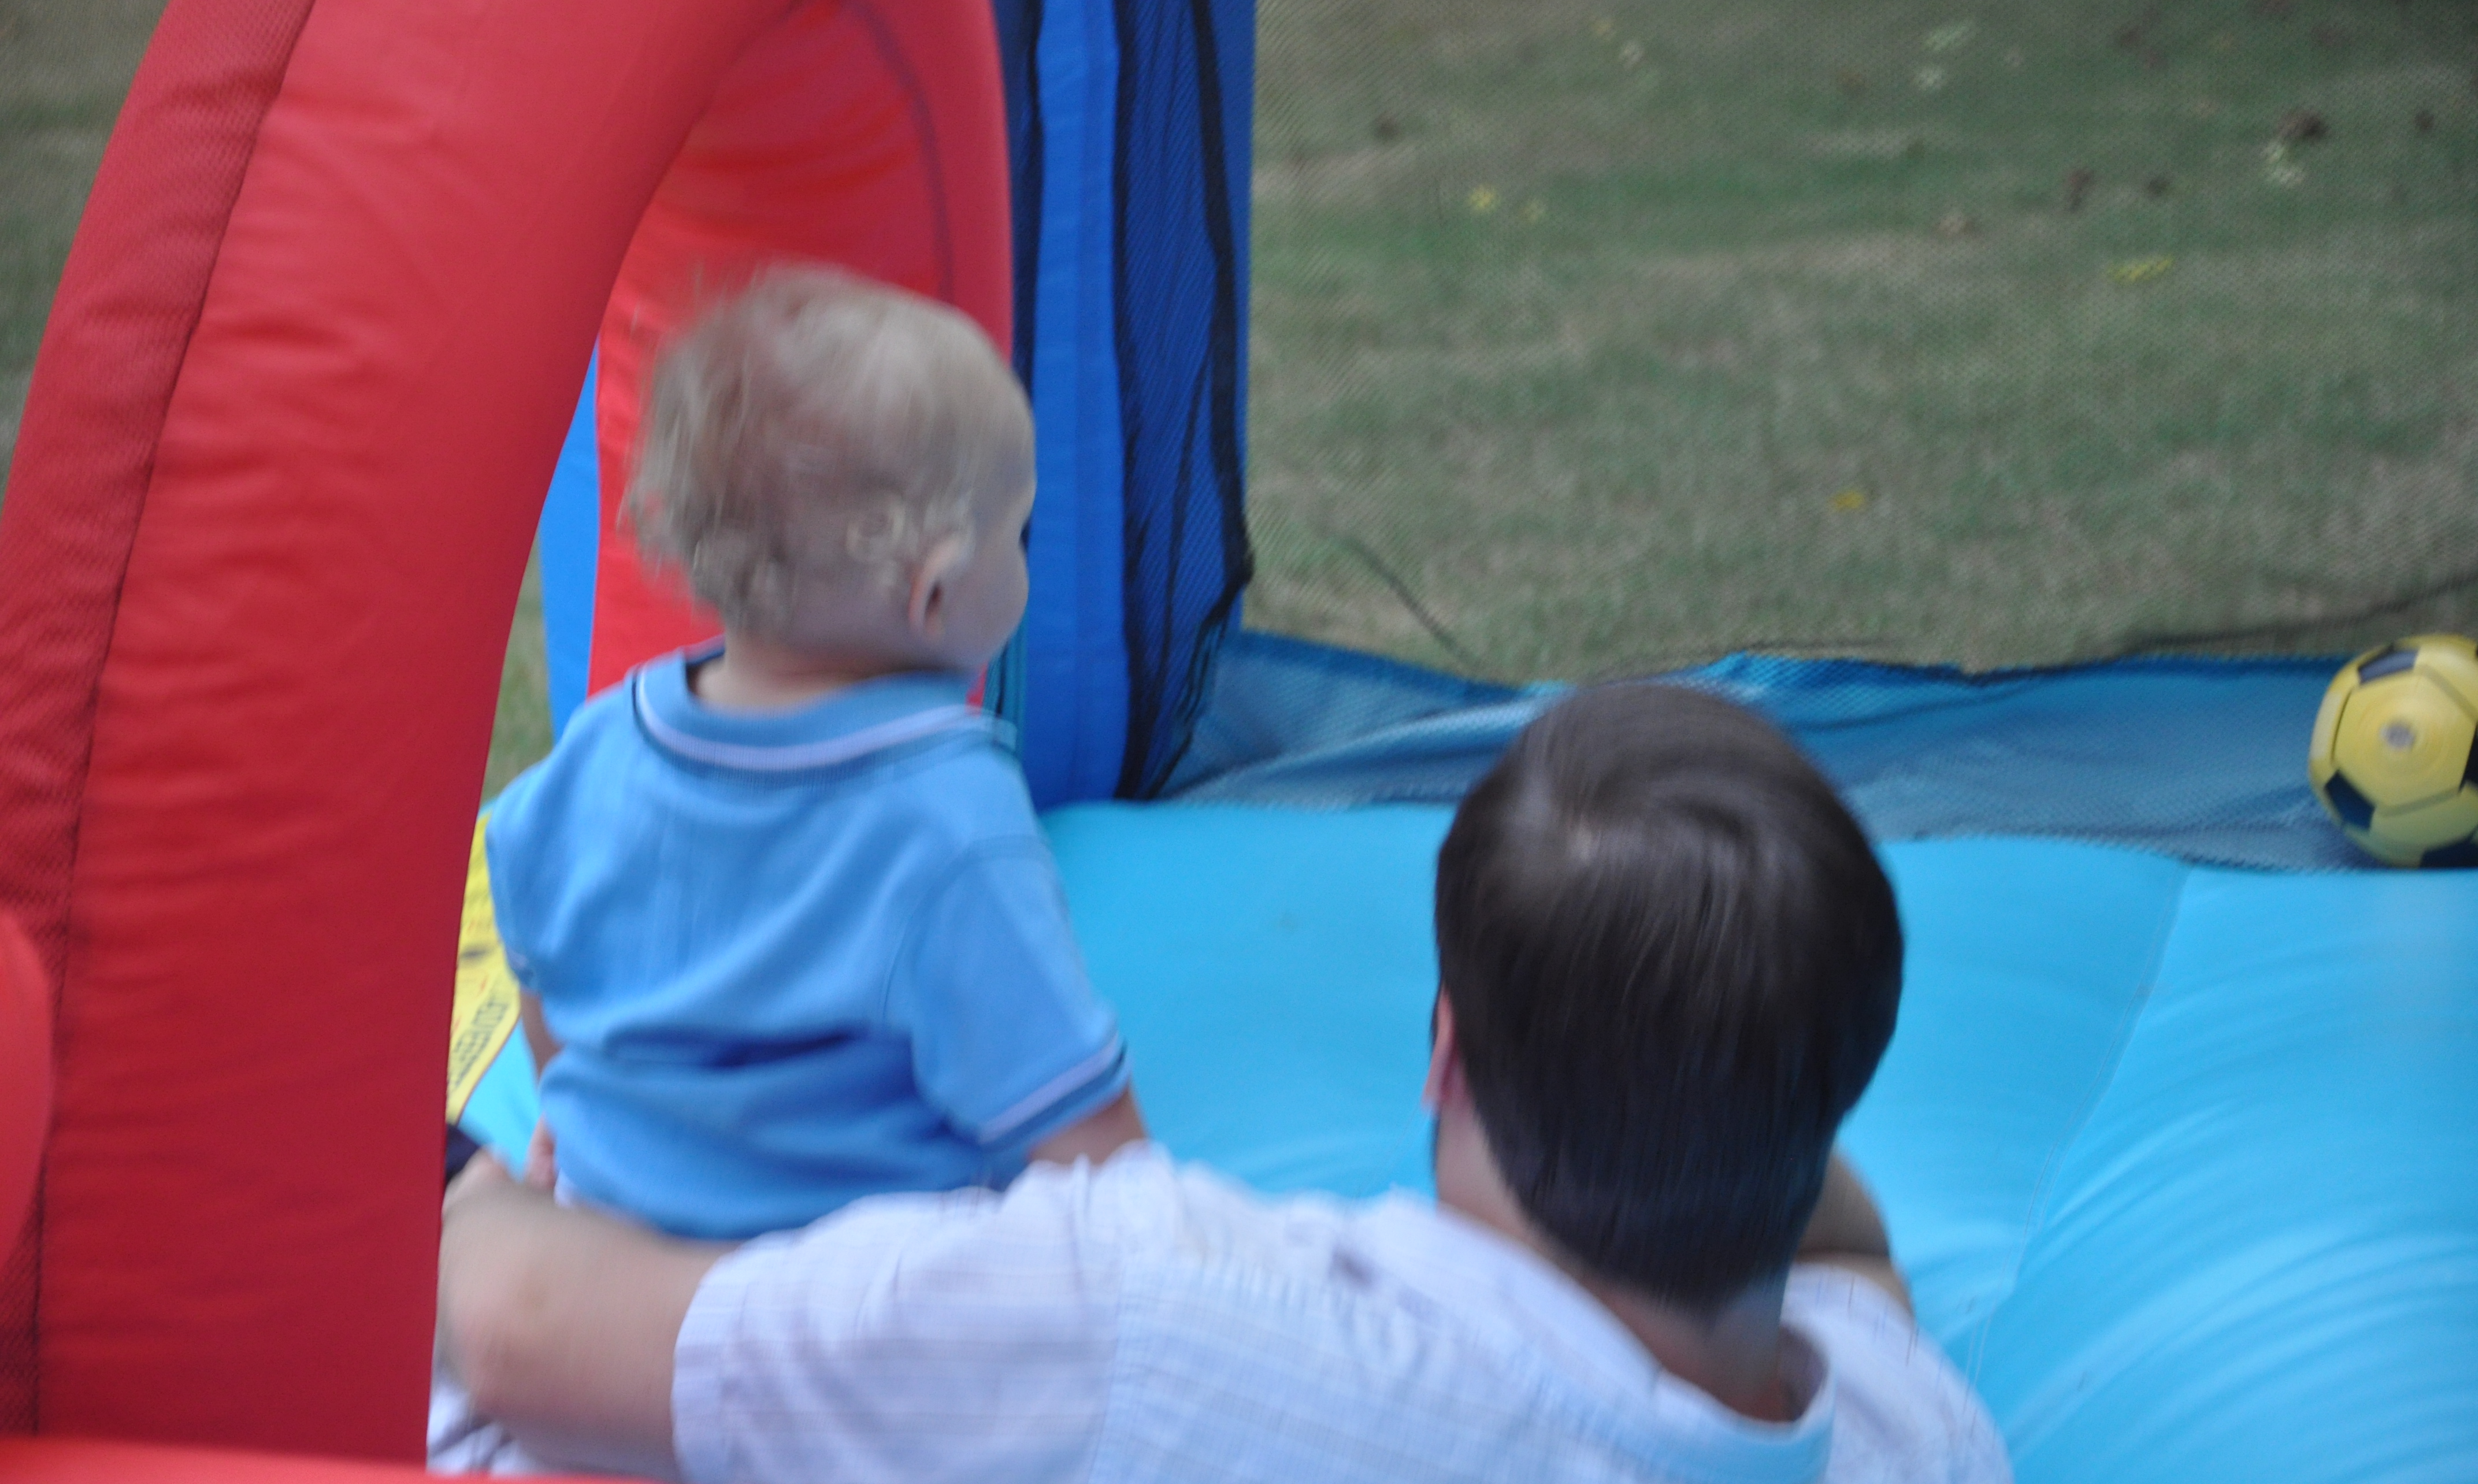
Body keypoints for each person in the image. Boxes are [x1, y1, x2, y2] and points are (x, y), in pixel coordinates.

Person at [435, 682, 2012, 1483]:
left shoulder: (1157, 1308)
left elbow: (519, 1332)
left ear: (1445, 1054)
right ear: (1829, 1094)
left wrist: (473, 1189)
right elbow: (1849, 1264)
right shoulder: (1914, 1435)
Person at [482, 265, 1145, 1245]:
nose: (1026, 560)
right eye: (1018, 534)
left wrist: (582, 1132)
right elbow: (1089, 1144)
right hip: (836, 1296)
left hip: (610, 1267)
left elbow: (544, 983)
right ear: (934, 594)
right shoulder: (949, 818)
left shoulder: (598, 750)